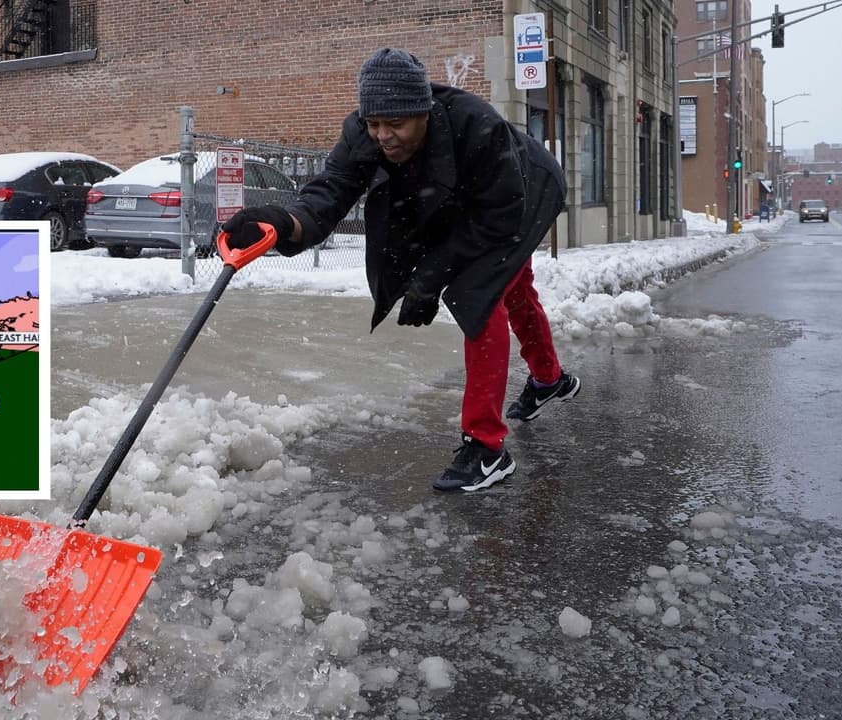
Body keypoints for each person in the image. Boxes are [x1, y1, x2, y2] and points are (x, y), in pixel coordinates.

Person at [221, 47, 580, 492]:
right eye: (374, 124)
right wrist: (282, 223)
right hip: (472, 204)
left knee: (480, 295)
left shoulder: (475, 125)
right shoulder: (362, 134)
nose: (383, 136)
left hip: (522, 193)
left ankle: (487, 448)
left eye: (395, 124)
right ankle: (549, 379)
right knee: (515, 285)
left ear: (423, 112)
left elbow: (498, 216)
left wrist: (431, 277)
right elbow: (328, 194)